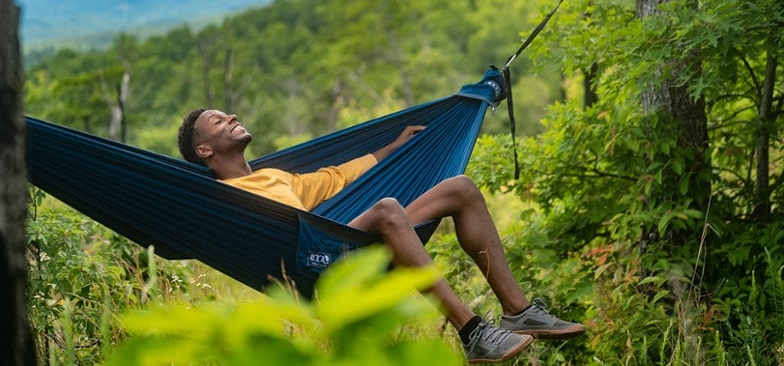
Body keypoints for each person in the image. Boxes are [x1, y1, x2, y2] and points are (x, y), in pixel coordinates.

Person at [178, 108, 585, 364]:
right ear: (205, 151)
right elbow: (178, 230)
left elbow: (334, 178)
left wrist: (393, 147)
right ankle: (472, 332)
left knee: (460, 187)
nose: (231, 118)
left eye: (228, 115)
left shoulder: (274, 177)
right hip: (310, 266)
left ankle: (519, 310)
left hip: (337, 244)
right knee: (388, 209)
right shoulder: (219, 198)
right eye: (218, 121)